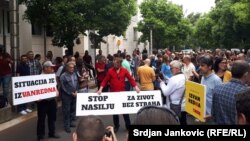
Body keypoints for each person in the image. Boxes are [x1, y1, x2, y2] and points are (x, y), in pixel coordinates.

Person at [97, 57, 140, 132]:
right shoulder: (110, 71)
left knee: (125, 111)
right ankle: (116, 126)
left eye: (116, 63)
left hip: (122, 94)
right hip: (113, 94)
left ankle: (128, 125)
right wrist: (100, 89)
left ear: (120, 64)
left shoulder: (124, 70)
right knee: (115, 112)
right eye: (114, 63)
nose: (115, 64)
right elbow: (105, 81)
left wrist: (136, 87)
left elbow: (130, 79)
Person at [37, 61, 60, 141]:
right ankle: (40, 136)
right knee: (41, 119)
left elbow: (54, 87)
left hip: (51, 101)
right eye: (51, 67)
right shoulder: (39, 77)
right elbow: (36, 90)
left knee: (52, 118)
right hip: (42, 102)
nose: (52, 69)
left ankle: (52, 133)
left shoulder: (51, 77)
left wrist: (56, 92)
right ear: (45, 68)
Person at [159, 60, 186, 125]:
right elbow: (176, 85)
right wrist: (167, 80)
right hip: (182, 105)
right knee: (183, 122)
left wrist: (161, 83)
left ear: (177, 69)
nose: (170, 70)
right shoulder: (183, 76)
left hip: (173, 106)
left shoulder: (174, 79)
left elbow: (165, 92)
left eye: (171, 68)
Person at [60, 62, 79, 133]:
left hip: (74, 95)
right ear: (67, 68)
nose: (72, 69)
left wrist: (76, 91)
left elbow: (77, 84)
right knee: (66, 111)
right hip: (67, 96)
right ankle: (66, 126)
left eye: (73, 67)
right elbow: (63, 87)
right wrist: (71, 93)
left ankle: (70, 122)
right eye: (70, 67)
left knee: (72, 110)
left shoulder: (74, 74)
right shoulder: (63, 76)